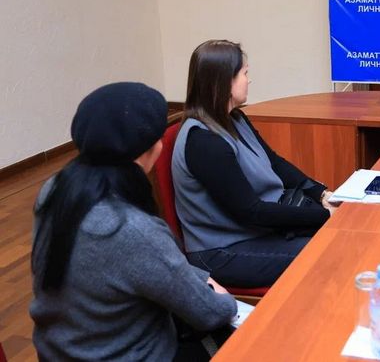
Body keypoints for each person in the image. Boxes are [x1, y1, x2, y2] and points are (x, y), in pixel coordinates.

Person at [30, 82, 236, 361]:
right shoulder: (130, 228)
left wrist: (198, 278)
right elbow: (208, 312)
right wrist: (224, 299)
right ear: (149, 149)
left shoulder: (55, 189)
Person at [172, 40, 337, 288]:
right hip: (222, 252)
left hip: (254, 233)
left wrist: (321, 194)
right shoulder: (204, 142)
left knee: (340, 237)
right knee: (331, 250)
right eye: (244, 73)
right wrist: (325, 216)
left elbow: (274, 162)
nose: (249, 80)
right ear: (224, 81)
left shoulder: (235, 118)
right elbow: (252, 212)